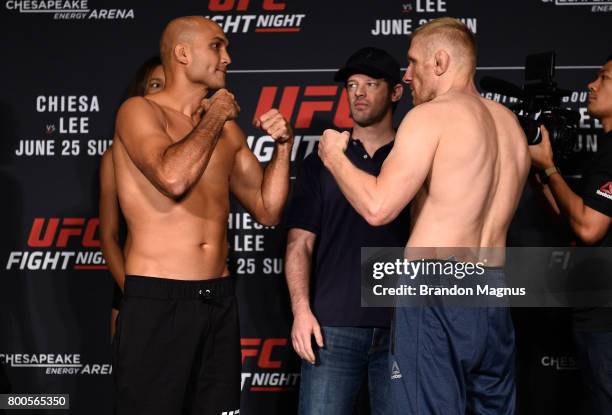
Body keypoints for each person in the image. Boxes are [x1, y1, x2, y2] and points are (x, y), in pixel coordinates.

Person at [317, 17, 530, 414]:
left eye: (414, 63)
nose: (408, 75)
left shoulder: (432, 116)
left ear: (441, 61)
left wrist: (334, 158)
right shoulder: (509, 125)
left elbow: (379, 207)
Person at [111, 16, 293, 415]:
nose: (227, 58)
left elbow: (268, 209)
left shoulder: (227, 131)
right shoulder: (140, 112)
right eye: (217, 46)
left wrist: (282, 146)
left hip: (218, 299)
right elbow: (173, 177)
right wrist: (215, 116)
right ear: (182, 53)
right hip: (159, 300)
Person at [284, 47, 409, 414]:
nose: (358, 93)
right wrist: (301, 311)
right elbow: (299, 244)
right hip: (331, 328)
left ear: (396, 92)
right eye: (352, 85)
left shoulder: (413, 158)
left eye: (371, 83)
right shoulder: (320, 161)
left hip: (402, 328)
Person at [529, 54, 612, 414]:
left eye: (604, 78)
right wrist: (541, 173)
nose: (592, 85)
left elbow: (588, 228)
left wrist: (549, 168)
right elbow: (572, 221)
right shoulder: (607, 150)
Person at [100, 56, 165, 339]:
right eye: (154, 84)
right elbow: (109, 235)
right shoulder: (115, 156)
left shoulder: (203, 155)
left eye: (169, 85)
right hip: (136, 291)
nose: (161, 93)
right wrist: (135, 294)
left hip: (195, 296)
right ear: (140, 92)